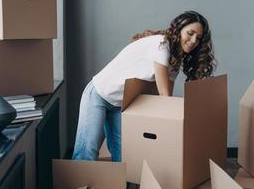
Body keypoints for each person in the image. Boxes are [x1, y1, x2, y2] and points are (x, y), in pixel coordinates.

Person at [72, 11, 216, 162]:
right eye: (190, 33)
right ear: (179, 30)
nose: (193, 41)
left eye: (198, 38)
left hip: (120, 105)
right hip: (99, 94)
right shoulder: (162, 45)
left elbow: (165, 101)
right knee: (86, 153)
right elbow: (164, 95)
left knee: (125, 157)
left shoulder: (175, 62)